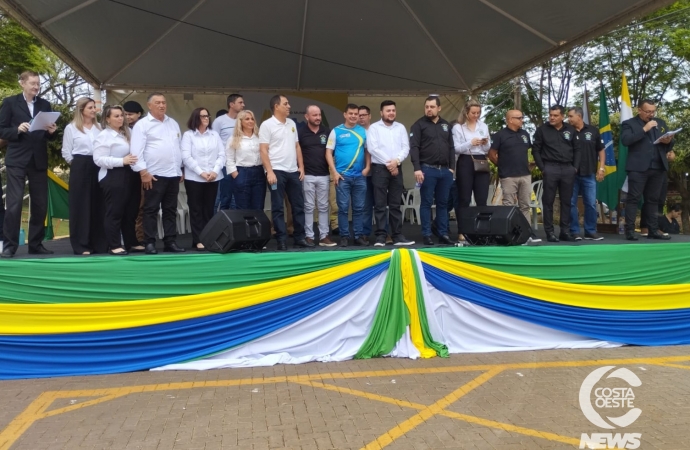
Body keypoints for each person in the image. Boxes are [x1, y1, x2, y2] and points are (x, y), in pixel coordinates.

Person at [0, 70, 58, 258]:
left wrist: (52, 131)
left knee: (40, 205)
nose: (36, 86)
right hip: (17, 160)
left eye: (38, 83)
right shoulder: (10, 103)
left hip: (38, 160)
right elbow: (1, 129)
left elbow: (49, 134)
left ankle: (36, 244)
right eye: (32, 83)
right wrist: (16, 130)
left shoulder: (45, 104)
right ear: (22, 83)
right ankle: (10, 245)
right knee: (15, 204)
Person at [131, 92, 185, 254]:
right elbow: (136, 151)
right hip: (153, 174)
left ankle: (170, 241)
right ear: (149, 105)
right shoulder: (143, 125)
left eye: (163, 102)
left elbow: (178, 148)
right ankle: (149, 242)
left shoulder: (173, 123)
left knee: (170, 209)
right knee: (151, 209)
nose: (162, 105)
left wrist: (180, 169)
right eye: (157, 103)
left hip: (173, 174)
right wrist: (143, 172)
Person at [259, 94, 312, 250]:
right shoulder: (267, 125)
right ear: (276, 106)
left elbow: (297, 146)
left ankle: (299, 237)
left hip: (292, 171)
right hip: (276, 171)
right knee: (277, 207)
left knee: (298, 205)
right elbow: (263, 150)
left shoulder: (291, 124)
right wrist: (269, 171)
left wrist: (301, 167)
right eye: (286, 103)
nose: (289, 106)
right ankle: (281, 239)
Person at [621, 99, 674, 241]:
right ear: (639, 110)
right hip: (638, 168)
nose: (651, 114)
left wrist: (668, 142)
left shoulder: (660, 123)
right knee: (633, 199)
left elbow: (669, 143)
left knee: (653, 200)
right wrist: (644, 129)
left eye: (653, 111)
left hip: (657, 167)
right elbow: (626, 141)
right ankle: (630, 231)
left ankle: (653, 229)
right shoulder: (629, 124)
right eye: (648, 111)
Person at [93, 105, 143, 255]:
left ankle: (131, 242)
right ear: (107, 119)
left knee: (131, 210)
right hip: (113, 175)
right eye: (116, 116)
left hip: (131, 174)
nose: (121, 118)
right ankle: (114, 244)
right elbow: (98, 159)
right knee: (115, 211)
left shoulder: (127, 133)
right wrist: (121, 161)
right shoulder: (104, 136)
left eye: (121, 115)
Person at [61, 97, 107, 255]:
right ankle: (81, 245)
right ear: (82, 110)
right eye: (90, 107)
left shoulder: (100, 127)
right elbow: (66, 151)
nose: (94, 110)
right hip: (80, 166)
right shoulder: (71, 128)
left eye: (94, 107)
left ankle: (99, 243)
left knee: (98, 204)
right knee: (81, 206)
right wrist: (77, 165)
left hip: (98, 165)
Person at [488, 110, 541, 243]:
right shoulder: (500, 135)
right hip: (508, 176)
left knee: (525, 205)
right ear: (510, 120)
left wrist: (531, 164)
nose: (522, 120)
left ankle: (527, 233)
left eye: (522, 117)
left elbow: (525, 151)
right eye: (519, 118)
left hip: (525, 174)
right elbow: (491, 153)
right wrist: (502, 165)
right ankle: (510, 234)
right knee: (509, 206)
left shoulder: (525, 134)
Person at [366, 100, 414, 247]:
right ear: (381, 113)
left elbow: (406, 147)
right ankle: (381, 236)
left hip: (396, 168)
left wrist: (396, 161)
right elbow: (372, 148)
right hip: (380, 168)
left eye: (393, 110)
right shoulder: (374, 128)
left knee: (395, 204)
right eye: (388, 110)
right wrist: (390, 163)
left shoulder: (400, 128)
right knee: (380, 204)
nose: (391, 113)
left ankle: (397, 236)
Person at [409, 96, 455, 246]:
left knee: (443, 204)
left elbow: (451, 147)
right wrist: (417, 168)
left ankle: (443, 233)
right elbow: (414, 148)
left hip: (445, 171)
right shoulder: (418, 125)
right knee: (426, 203)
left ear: (439, 108)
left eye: (432, 107)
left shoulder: (446, 125)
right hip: (427, 169)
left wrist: (452, 168)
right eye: (427, 106)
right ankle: (427, 234)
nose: (429, 109)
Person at [532, 105, 580, 242]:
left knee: (566, 201)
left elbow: (578, 150)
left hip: (567, 169)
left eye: (555, 115)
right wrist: (543, 168)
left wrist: (574, 167)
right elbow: (536, 150)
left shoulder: (570, 130)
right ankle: (550, 232)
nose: (552, 118)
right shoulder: (542, 130)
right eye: (550, 115)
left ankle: (564, 231)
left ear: (562, 116)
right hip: (550, 167)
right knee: (548, 201)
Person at [326, 104, 371, 247]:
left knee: (359, 208)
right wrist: (334, 172)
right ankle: (344, 236)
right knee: (343, 208)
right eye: (350, 113)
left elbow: (368, 151)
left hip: (359, 176)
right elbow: (328, 153)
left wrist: (368, 167)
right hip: (342, 177)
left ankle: (358, 236)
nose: (353, 116)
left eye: (356, 114)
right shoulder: (336, 131)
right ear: (345, 114)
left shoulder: (363, 132)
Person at [181, 107, 225, 251]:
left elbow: (222, 155)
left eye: (208, 115)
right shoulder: (188, 135)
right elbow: (186, 157)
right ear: (196, 118)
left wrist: (214, 171)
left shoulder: (214, 135)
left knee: (208, 209)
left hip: (213, 177)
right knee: (196, 209)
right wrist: (201, 172)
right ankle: (197, 239)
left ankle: (208, 237)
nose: (206, 118)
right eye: (203, 116)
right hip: (194, 178)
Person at [298, 105, 336, 247]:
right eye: (314, 115)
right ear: (306, 117)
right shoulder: (300, 132)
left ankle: (324, 236)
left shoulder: (327, 132)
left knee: (323, 206)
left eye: (319, 115)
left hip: (324, 174)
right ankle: (309, 236)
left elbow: (331, 152)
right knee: (308, 206)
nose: (318, 118)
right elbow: (297, 152)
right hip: (307, 174)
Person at [567, 107, 606, 241]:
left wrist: (601, 168)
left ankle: (590, 231)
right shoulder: (566, 131)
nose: (569, 119)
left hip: (589, 172)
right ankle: (574, 231)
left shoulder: (593, 131)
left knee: (590, 203)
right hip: (571, 173)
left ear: (579, 116)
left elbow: (601, 150)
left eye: (571, 116)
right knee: (571, 203)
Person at [453, 100, 491, 230]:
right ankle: (463, 229)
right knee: (464, 198)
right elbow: (456, 149)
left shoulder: (483, 126)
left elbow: (487, 149)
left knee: (482, 197)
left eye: (478, 113)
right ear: (466, 112)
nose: (476, 115)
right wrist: (471, 143)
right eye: (473, 113)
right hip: (465, 160)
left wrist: (485, 142)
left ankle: (483, 229)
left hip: (481, 160)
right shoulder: (458, 127)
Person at [227, 110, 265, 210]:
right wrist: (236, 175)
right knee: (243, 207)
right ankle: (245, 226)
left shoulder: (259, 137)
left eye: (252, 119)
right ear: (240, 122)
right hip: (242, 172)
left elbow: (265, 154)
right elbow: (229, 159)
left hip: (259, 172)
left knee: (259, 206)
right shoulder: (233, 139)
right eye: (247, 119)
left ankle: (257, 226)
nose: (250, 121)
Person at [213, 94, 245, 212]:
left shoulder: (243, 121)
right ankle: (220, 225)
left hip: (241, 165)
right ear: (231, 105)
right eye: (240, 102)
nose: (243, 105)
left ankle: (236, 226)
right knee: (225, 197)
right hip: (225, 165)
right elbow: (214, 142)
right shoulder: (219, 121)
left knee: (238, 198)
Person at [123, 100, 147, 243]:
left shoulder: (145, 127)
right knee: (128, 206)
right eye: (125, 114)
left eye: (130, 114)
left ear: (139, 114)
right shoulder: (121, 129)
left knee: (141, 206)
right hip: (125, 172)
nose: (127, 117)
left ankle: (140, 238)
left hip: (142, 172)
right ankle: (129, 238)